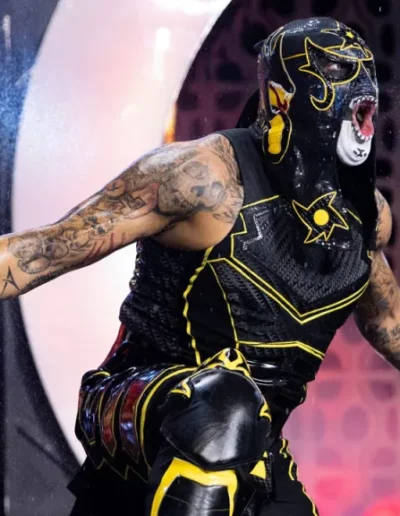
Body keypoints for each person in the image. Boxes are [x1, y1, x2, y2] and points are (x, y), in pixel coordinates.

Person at [0, 16, 398, 516]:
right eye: (335, 75)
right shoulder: (203, 181)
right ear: (281, 98)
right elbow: (45, 248)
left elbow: (388, 324)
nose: (358, 98)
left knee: (236, 424)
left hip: (251, 445)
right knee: (223, 406)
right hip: (135, 404)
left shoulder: (364, 219)